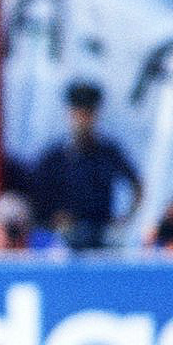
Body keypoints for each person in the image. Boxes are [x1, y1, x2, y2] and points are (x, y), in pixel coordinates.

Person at [28, 80, 141, 250]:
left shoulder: (108, 152)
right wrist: (53, 219)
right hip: (65, 236)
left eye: (88, 113)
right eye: (78, 113)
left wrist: (124, 220)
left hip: (102, 232)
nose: (83, 120)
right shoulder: (55, 156)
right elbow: (35, 196)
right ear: (70, 114)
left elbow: (137, 185)